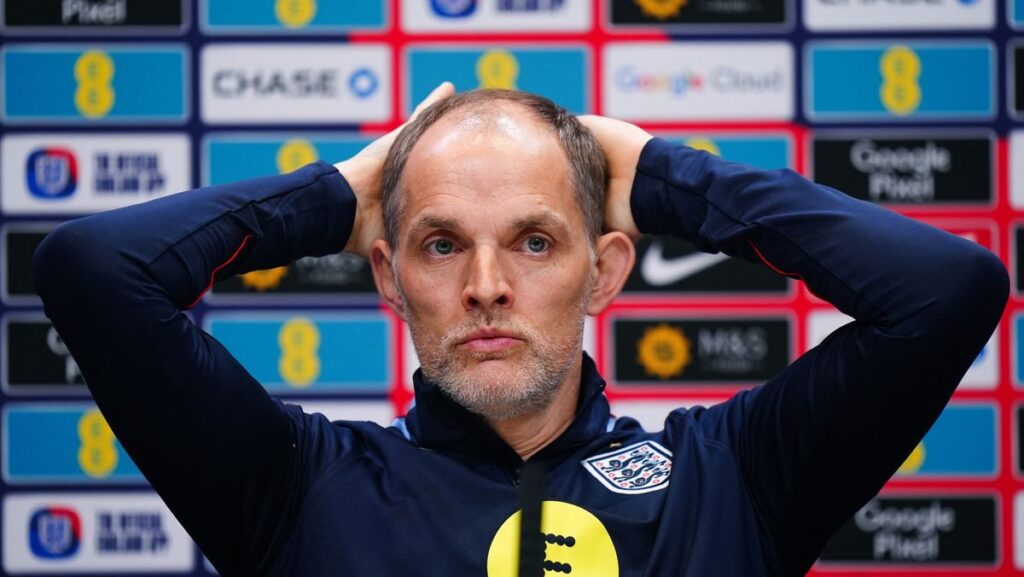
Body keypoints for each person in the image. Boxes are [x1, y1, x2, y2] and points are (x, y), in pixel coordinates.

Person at [33, 83, 1007, 577]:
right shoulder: (296, 487)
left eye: (536, 242)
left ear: (606, 270)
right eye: (441, 244)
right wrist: (338, 195)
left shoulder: (738, 474)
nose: (488, 286)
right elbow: (92, 271)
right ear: (389, 276)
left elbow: (947, 287)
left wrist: (663, 174)